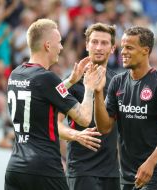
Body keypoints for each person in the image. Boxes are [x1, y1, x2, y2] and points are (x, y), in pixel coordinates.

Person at [5, 18, 105, 190]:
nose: (61, 47)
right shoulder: (47, 78)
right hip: (44, 168)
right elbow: (84, 118)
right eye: (59, 43)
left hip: (15, 167)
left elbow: (42, 94)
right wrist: (88, 88)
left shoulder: (16, 74)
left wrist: (70, 81)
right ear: (47, 45)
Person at [94, 26, 157, 190]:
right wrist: (98, 93)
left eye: (129, 47)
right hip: (128, 173)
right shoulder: (117, 82)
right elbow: (104, 127)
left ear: (145, 51)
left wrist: (151, 162)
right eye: (122, 47)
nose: (123, 52)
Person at [58, 22, 120, 190]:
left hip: (112, 171)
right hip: (81, 169)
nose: (98, 47)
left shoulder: (118, 82)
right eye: (94, 42)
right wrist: (76, 135)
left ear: (113, 48)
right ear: (86, 45)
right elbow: (54, 123)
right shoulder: (71, 81)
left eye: (104, 43)